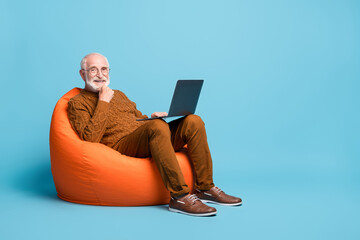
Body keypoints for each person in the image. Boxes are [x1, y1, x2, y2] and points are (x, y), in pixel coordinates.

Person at [67, 53, 242, 216]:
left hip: (144, 136)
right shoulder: (77, 103)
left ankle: (205, 188)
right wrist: (103, 101)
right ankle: (179, 197)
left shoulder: (118, 95)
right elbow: (90, 138)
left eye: (104, 69)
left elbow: (136, 118)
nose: (100, 74)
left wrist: (150, 118)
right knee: (157, 128)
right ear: (83, 75)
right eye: (93, 69)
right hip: (122, 144)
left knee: (193, 121)